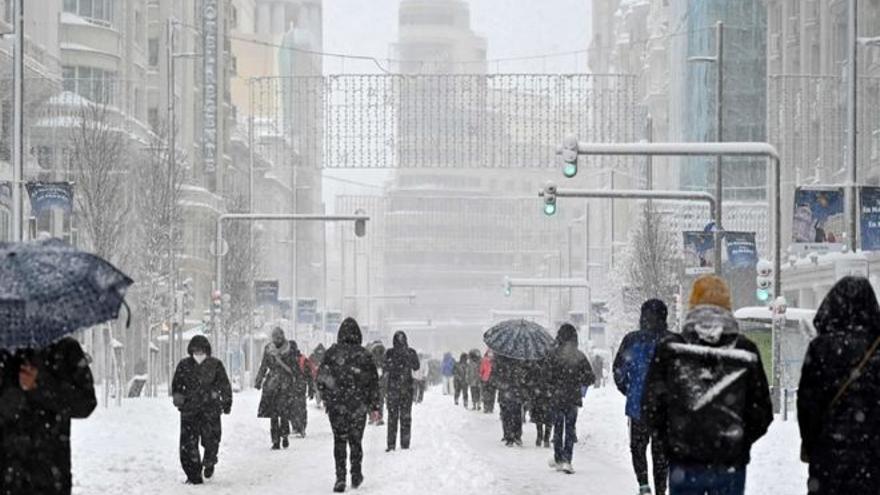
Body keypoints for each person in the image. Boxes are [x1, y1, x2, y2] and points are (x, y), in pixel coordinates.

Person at [642, 275, 772, 495]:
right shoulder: (745, 350)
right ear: (728, 306)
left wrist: (671, 442)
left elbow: (651, 406)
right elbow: (761, 411)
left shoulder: (671, 350)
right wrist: (739, 441)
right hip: (729, 463)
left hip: (684, 461)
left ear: (692, 305)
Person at [798, 276, 880, 495]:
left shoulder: (821, 348)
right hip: (873, 460)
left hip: (829, 459)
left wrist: (813, 444)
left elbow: (807, 406)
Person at [0, 338, 97, 495]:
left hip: (50, 474)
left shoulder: (65, 349)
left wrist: (40, 385)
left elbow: (86, 403)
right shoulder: (5, 350)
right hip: (7, 472)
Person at [614, 299, 673, 495]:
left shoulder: (631, 340)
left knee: (638, 448)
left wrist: (629, 390)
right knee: (661, 453)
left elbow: (619, 371)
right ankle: (661, 491)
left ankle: (643, 484)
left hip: (638, 406)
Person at [317, 318, 381, 493]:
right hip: (358, 406)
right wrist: (375, 406)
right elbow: (374, 382)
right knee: (355, 440)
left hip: (337, 406)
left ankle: (340, 477)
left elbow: (321, 378)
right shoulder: (364, 355)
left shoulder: (331, 354)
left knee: (339, 440)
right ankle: (356, 472)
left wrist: (327, 396)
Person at [171, 335, 232, 485]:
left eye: (201, 350)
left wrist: (226, 402)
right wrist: (178, 398)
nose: (198, 353)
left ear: (207, 350)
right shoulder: (184, 365)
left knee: (211, 439)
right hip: (189, 411)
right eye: (195, 350)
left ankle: (209, 460)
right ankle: (193, 475)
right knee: (188, 444)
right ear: (191, 350)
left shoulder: (216, 365)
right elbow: (177, 385)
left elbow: (224, 385)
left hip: (210, 410)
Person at [545, 323, 595, 473]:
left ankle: (558, 458)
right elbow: (590, 378)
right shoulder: (579, 356)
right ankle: (568, 459)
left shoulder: (553, 354)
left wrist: (553, 385)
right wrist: (578, 380)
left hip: (556, 397)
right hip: (573, 397)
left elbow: (546, 376)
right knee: (570, 429)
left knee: (558, 428)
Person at [254, 327, 299, 449]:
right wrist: (259, 380)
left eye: (279, 337)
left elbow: (295, 366)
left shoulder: (290, 349)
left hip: (285, 385)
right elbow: (263, 365)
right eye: (275, 337)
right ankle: (275, 440)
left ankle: (284, 436)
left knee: (284, 413)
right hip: (272, 385)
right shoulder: (269, 349)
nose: (277, 340)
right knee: (273, 414)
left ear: (283, 337)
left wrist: (297, 380)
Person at [384, 331, 420, 451]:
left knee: (392, 417)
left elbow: (385, 367)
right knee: (406, 417)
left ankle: (391, 444)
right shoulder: (410, 352)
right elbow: (416, 366)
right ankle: (405, 443)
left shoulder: (389, 353)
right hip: (406, 388)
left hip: (393, 389)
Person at [493, 354, 527, 446]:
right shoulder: (520, 358)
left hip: (509, 391)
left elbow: (495, 375)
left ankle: (510, 435)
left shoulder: (500, 358)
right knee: (514, 414)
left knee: (509, 414)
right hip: (513, 391)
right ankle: (514, 435)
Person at [525, 358, 553, 448]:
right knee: (540, 418)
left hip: (547, 396)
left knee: (547, 418)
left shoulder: (550, 365)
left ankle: (546, 438)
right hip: (538, 396)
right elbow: (528, 379)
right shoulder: (534, 366)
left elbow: (555, 379)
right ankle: (540, 436)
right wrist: (534, 387)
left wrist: (550, 389)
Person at [291, 341, 316, 437]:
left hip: (292, 387)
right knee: (301, 407)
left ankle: (297, 427)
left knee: (293, 407)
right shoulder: (303, 359)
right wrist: (310, 388)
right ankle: (301, 427)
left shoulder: (290, 358)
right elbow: (309, 376)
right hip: (300, 386)